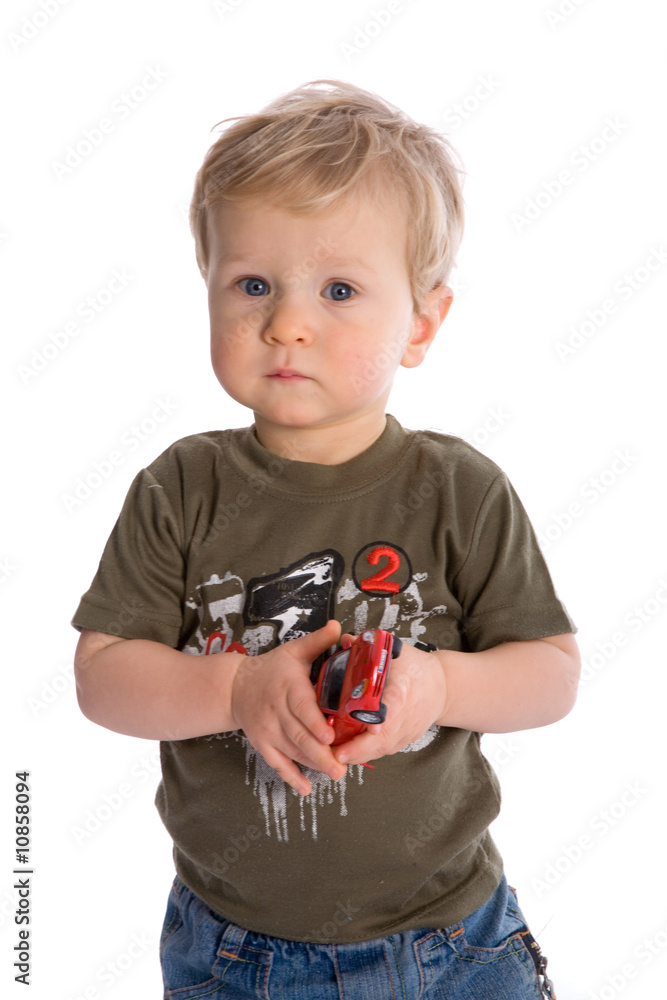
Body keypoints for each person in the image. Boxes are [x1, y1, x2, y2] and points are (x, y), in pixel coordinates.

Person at [72, 79, 579, 999]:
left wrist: (439, 686)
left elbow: (550, 674)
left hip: (454, 942)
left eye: (338, 289)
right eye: (253, 284)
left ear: (420, 323)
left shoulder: (456, 489)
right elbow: (104, 678)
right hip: (236, 953)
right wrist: (234, 686)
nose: (287, 322)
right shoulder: (182, 486)